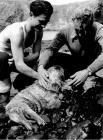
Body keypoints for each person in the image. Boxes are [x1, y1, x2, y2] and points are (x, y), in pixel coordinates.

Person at [0, 0, 53, 108]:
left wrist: (19, 61)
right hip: (2, 56)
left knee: (38, 62)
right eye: (41, 21)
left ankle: (20, 84)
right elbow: (19, 65)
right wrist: (40, 77)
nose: (44, 26)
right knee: (3, 59)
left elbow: (36, 54)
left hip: (15, 57)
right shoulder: (17, 30)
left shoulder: (38, 30)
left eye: (46, 22)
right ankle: (3, 100)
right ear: (31, 14)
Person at [38, 8, 103, 88]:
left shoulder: (100, 29)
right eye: (79, 30)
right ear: (73, 20)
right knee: (52, 58)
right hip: (77, 62)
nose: (82, 33)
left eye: (87, 29)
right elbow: (50, 49)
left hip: (96, 64)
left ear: (92, 22)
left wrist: (88, 71)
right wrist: (40, 67)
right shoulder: (65, 30)